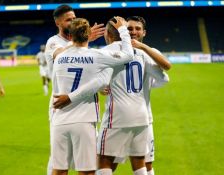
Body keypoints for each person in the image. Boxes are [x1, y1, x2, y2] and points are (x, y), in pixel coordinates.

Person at [51, 17, 133, 175]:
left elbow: (56, 88)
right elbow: (128, 56)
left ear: (70, 35)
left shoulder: (60, 58)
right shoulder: (96, 55)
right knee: (87, 171)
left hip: (60, 120)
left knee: (59, 170)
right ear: (88, 33)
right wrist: (123, 31)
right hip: (84, 120)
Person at [44, 4, 105, 175]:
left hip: (84, 109)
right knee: (59, 162)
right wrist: (80, 39)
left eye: (74, 18)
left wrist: (100, 87)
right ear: (58, 23)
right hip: (62, 107)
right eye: (68, 20)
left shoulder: (82, 46)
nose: (73, 21)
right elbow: (57, 55)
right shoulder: (54, 42)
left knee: (89, 161)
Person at [111, 16, 171, 175]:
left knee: (146, 164)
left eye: (138, 29)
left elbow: (167, 66)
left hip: (144, 118)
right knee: (110, 164)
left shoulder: (149, 52)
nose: (134, 32)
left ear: (144, 32)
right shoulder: (115, 50)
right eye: (130, 28)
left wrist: (142, 47)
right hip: (119, 119)